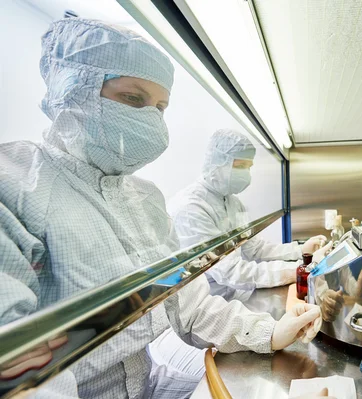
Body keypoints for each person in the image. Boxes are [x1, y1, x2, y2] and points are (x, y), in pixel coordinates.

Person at [0, 18, 321, 398]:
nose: (151, 121)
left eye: (161, 107)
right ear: (73, 89)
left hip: (145, 383)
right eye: (134, 99)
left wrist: (268, 332)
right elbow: (20, 373)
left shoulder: (145, 199)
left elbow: (190, 304)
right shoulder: (15, 185)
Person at [168, 129, 330, 295]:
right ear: (218, 163)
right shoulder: (190, 209)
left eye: (248, 167)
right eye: (240, 166)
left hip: (234, 294)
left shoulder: (233, 202)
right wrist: (302, 268)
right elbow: (230, 272)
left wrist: (300, 250)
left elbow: (254, 249)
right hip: (208, 302)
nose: (246, 174)